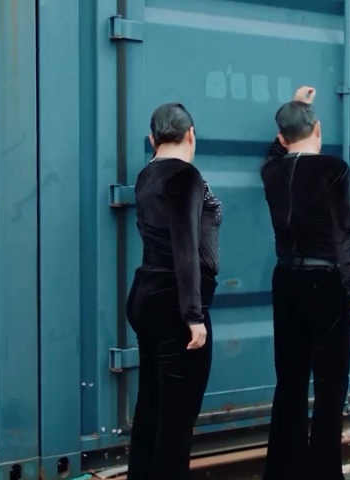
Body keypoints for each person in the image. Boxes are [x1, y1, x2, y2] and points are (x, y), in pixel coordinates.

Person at [260, 86, 350, 480]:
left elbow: (276, 153)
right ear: (318, 128)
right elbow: (345, 233)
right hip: (326, 282)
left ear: (282, 136)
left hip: (286, 278)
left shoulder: (272, 171)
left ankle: (282, 473)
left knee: (289, 382)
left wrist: (296, 108)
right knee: (329, 386)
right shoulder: (333, 169)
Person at [126, 103, 222, 480]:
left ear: (152, 139)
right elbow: (185, 246)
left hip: (145, 296)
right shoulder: (185, 175)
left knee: (150, 408)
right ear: (191, 134)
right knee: (177, 421)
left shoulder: (145, 175)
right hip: (176, 305)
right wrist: (193, 316)